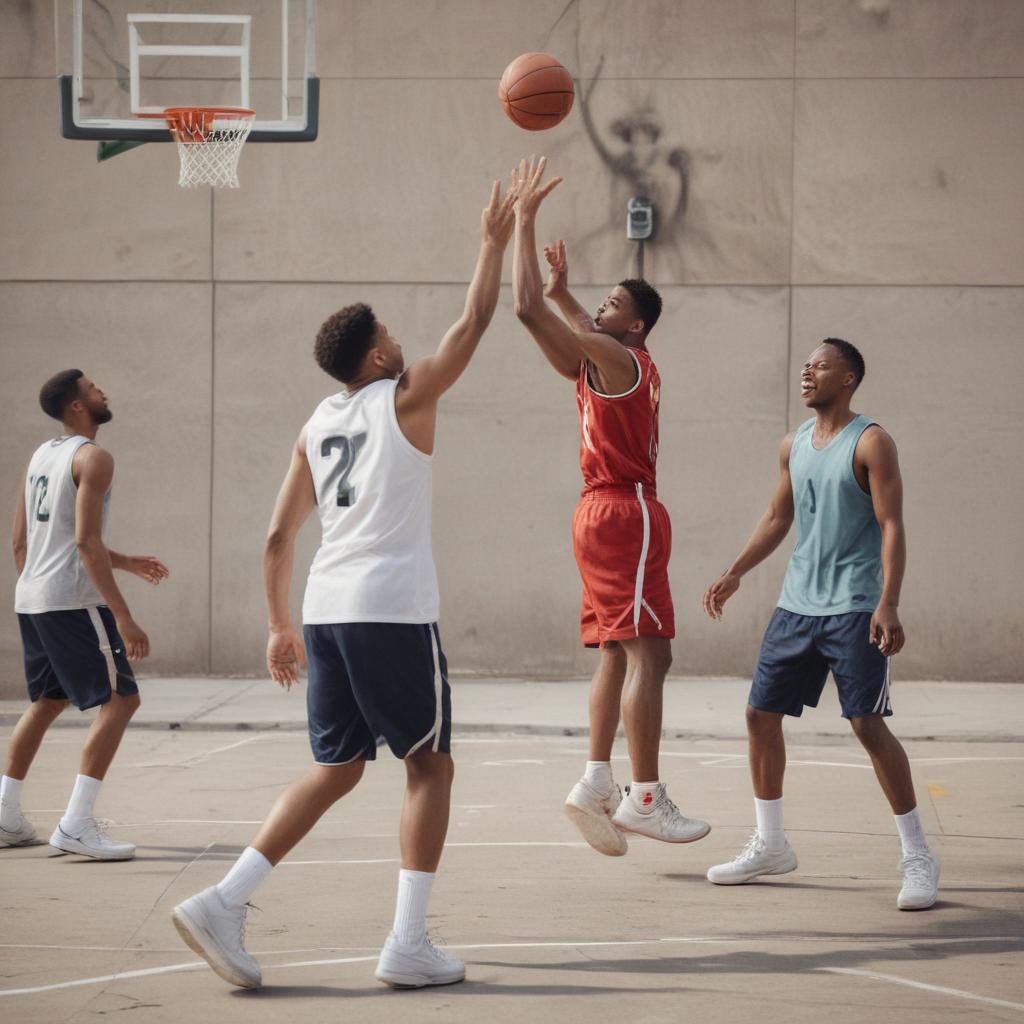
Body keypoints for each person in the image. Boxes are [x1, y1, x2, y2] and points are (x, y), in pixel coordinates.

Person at [170, 176, 518, 991]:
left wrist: (277, 624)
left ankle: (225, 899)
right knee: (430, 765)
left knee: (337, 767)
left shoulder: (317, 423)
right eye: (391, 337)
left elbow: (276, 536)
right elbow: (473, 323)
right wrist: (494, 242)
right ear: (377, 356)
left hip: (324, 610)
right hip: (391, 610)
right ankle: (407, 943)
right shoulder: (405, 397)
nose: (400, 343)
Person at [511, 156, 709, 857]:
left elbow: (558, 328)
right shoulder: (623, 360)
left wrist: (559, 298)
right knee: (650, 656)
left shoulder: (612, 361)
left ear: (637, 327)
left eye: (614, 305)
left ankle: (597, 779)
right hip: (627, 513)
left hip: (599, 514)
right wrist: (524, 223)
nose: (601, 308)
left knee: (620, 656)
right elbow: (528, 309)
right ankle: (644, 799)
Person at [702, 338, 939, 910]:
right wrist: (735, 572)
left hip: (856, 605)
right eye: (805, 366)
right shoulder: (794, 443)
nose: (807, 373)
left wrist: (889, 601)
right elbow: (778, 515)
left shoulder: (872, 442)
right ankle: (771, 843)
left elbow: (892, 525)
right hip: (797, 603)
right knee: (760, 716)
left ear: (849, 377)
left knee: (866, 725)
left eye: (820, 366)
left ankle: (918, 855)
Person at [2, 370, 167, 860]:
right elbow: (84, 542)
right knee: (122, 699)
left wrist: (124, 562)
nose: (102, 391)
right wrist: (123, 616)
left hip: (31, 596)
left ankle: (5, 814)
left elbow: (22, 541)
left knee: (49, 701)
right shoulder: (94, 457)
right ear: (78, 406)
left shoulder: (41, 456)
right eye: (93, 388)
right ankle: (76, 824)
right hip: (70, 603)